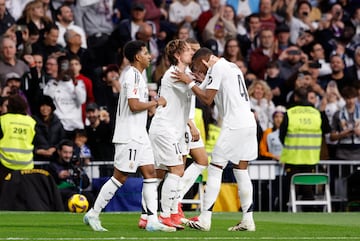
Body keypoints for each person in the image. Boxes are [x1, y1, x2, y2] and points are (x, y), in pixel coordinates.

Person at [83, 40, 172, 232]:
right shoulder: (131, 75)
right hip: (129, 135)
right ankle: (93, 213)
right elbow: (133, 105)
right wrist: (155, 102)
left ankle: (152, 220)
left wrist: (150, 103)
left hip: (141, 134)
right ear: (138, 57)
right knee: (120, 177)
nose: (150, 56)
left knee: (150, 174)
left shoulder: (140, 76)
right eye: (146, 53)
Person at [173, 47, 257, 231]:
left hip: (234, 124)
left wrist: (189, 82)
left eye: (197, 68)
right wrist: (201, 82)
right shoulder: (231, 66)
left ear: (204, 62)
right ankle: (248, 220)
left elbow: (207, 99)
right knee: (241, 170)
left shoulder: (217, 68)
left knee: (215, 167)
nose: (196, 72)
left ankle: (205, 219)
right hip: (249, 123)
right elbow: (216, 89)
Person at [148, 39, 194, 229]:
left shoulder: (185, 74)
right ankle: (165, 215)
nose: (192, 52)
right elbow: (199, 91)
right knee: (176, 170)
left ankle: (164, 214)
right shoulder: (174, 74)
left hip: (172, 130)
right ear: (177, 55)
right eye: (188, 50)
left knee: (162, 173)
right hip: (164, 129)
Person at [279, 87, 330, 211]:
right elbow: (327, 130)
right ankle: (309, 213)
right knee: (308, 189)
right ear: (307, 97)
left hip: (292, 158)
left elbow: (282, 136)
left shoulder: (290, 113)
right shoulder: (316, 113)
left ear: (295, 97)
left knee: (290, 190)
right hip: (311, 158)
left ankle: (284, 212)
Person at [0, 94, 37, 192]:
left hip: (5, 163)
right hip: (26, 165)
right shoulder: (31, 122)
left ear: (9, 106)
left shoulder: (3, 120)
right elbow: (35, 141)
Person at [48, 139, 93, 210]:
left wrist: (79, 174)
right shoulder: (52, 166)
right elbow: (48, 184)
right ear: (59, 152)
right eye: (65, 152)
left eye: (70, 153)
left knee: (89, 196)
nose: (68, 155)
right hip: (60, 193)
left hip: (75, 191)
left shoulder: (74, 166)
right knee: (72, 196)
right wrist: (58, 176)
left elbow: (85, 184)